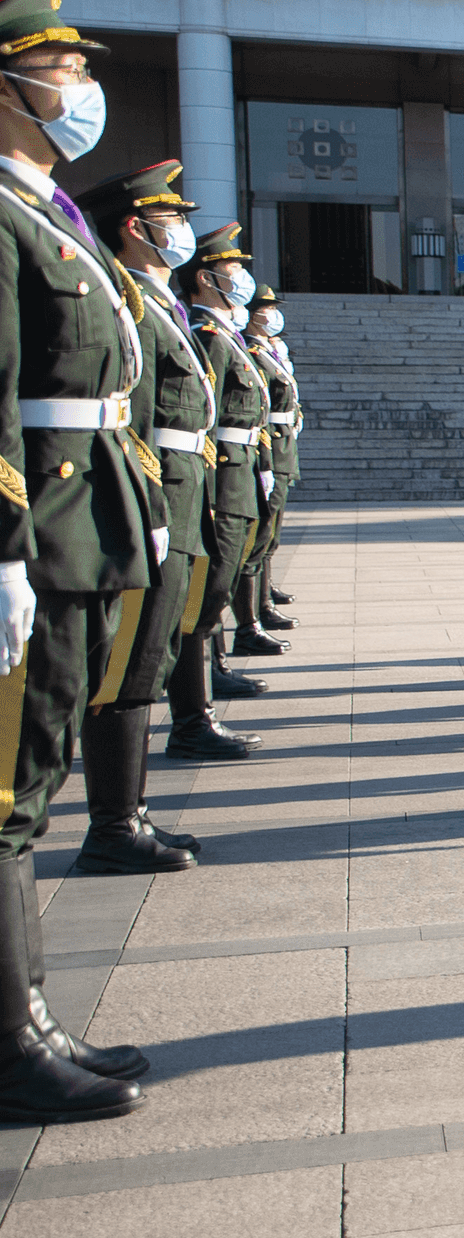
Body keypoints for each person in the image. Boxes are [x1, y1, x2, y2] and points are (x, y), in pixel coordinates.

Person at [0, 0, 154, 1118]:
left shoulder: (46, 215)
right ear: (10, 89)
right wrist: (4, 541)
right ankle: (13, 1043)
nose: (84, 85)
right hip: (41, 521)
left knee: (34, 772)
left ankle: (33, 1014)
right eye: (63, 69)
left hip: (83, 514)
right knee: (5, 792)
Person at [75, 161, 211, 874]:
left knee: (149, 655)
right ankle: (112, 825)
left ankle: (133, 811)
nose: (181, 230)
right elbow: (136, 417)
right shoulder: (130, 301)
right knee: (128, 664)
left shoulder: (154, 304)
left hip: (177, 493)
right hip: (152, 496)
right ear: (135, 227)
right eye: (170, 218)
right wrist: (151, 505)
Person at [177, 228, 275, 720]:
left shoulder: (227, 336)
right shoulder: (207, 335)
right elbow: (208, 418)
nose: (242, 280)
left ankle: (213, 670)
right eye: (233, 271)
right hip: (221, 474)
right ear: (205, 277)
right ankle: (198, 696)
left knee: (222, 579)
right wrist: (210, 494)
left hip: (242, 468)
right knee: (209, 585)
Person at [238, 283, 300, 661]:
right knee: (254, 539)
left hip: (281, 445)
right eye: (266, 307)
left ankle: (261, 602)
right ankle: (249, 621)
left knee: (269, 532)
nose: (272, 313)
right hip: (265, 448)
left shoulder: (268, 350)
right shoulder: (246, 349)